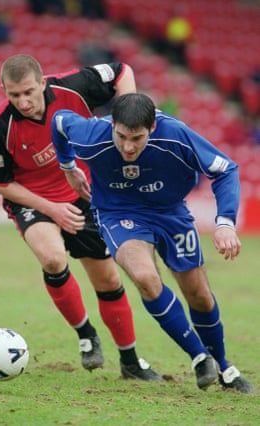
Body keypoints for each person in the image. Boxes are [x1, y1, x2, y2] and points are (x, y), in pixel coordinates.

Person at [51, 92, 255, 393]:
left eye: (137, 138)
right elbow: (58, 122)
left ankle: (224, 367)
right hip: (117, 213)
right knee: (146, 278)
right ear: (112, 126)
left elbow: (226, 170)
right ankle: (199, 356)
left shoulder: (176, 135)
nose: (128, 146)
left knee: (199, 295)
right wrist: (68, 167)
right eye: (121, 136)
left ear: (153, 128)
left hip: (170, 212)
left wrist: (225, 223)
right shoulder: (92, 133)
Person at [0, 55, 161, 381]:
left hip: (82, 193)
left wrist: (123, 122)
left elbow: (123, 71)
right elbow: (1, 183)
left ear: (42, 83)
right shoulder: (0, 128)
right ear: (4, 91)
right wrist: (51, 209)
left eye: (28, 92)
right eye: (14, 95)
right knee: (52, 259)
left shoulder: (75, 87)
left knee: (108, 281)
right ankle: (86, 334)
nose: (23, 102)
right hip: (34, 200)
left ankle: (131, 361)